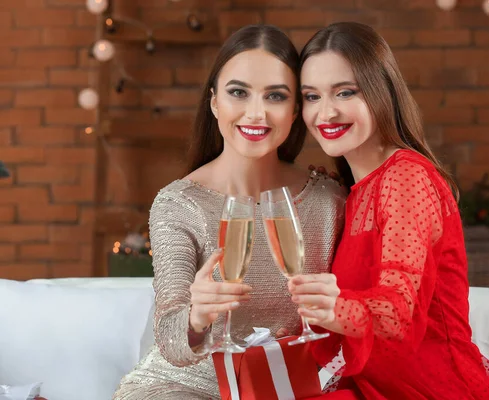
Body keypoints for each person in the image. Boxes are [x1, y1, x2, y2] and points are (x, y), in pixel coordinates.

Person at [289, 22, 489, 400]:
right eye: (311, 97)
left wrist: (333, 308)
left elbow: (397, 315)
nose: (326, 113)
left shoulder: (406, 177)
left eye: (345, 92)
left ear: (381, 91)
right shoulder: (354, 189)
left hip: (432, 391)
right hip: (373, 388)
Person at [113, 24, 346, 400]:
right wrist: (196, 317)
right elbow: (172, 343)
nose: (256, 113)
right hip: (190, 385)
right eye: (238, 92)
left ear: (296, 110)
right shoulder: (178, 203)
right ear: (215, 102)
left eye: (275, 96)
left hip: (290, 384)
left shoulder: (329, 200)